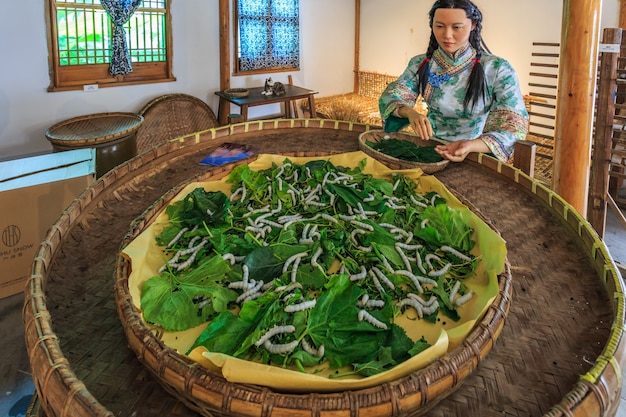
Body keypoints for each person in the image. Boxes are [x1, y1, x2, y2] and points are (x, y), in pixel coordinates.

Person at [379, 0, 529, 163]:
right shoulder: (420, 64)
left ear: (473, 25)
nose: (447, 35)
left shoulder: (497, 68)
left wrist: (471, 145)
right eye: (440, 26)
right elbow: (393, 95)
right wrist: (410, 112)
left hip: (476, 152)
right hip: (429, 149)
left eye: (456, 27)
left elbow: (514, 122)